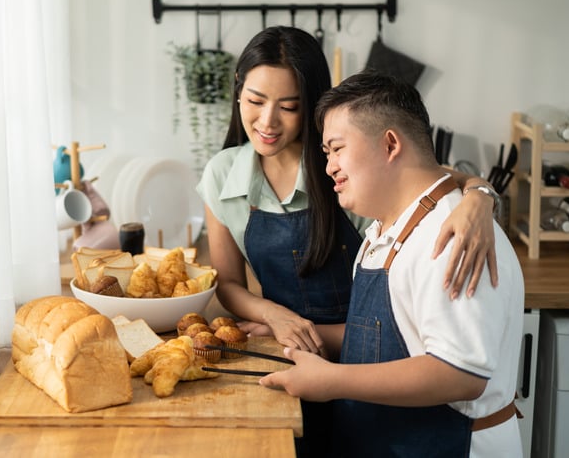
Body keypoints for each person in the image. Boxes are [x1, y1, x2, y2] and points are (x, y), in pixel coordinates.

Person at [195, 26, 500, 457]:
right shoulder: (222, 175)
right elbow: (227, 284)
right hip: (287, 350)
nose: (267, 122)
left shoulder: (345, 166)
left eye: (289, 106)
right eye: (256, 101)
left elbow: (428, 177)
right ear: (238, 93)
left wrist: (481, 196)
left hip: (370, 357)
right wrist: (278, 318)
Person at [260, 72, 524, 457]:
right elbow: (388, 337)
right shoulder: (390, 227)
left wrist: (332, 380)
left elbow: (460, 374)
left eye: (336, 149)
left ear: (390, 144)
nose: (329, 166)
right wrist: (291, 330)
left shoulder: (451, 236)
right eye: (326, 153)